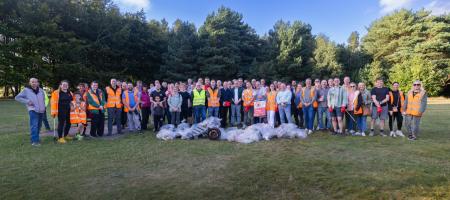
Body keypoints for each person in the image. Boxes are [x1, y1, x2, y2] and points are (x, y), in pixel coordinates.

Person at [15, 78, 46, 146]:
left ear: (38, 83)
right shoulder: (26, 90)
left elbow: (43, 100)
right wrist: (27, 101)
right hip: (33, 110)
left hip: (41, 111)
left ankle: (35, 138)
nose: (34, 83)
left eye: (35, 82)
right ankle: (35, 142)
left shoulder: (41, 90)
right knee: (34, 125)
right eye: (32, 82)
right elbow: (17, 97)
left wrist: (43, 107)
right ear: (30, 83)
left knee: (39, 125)